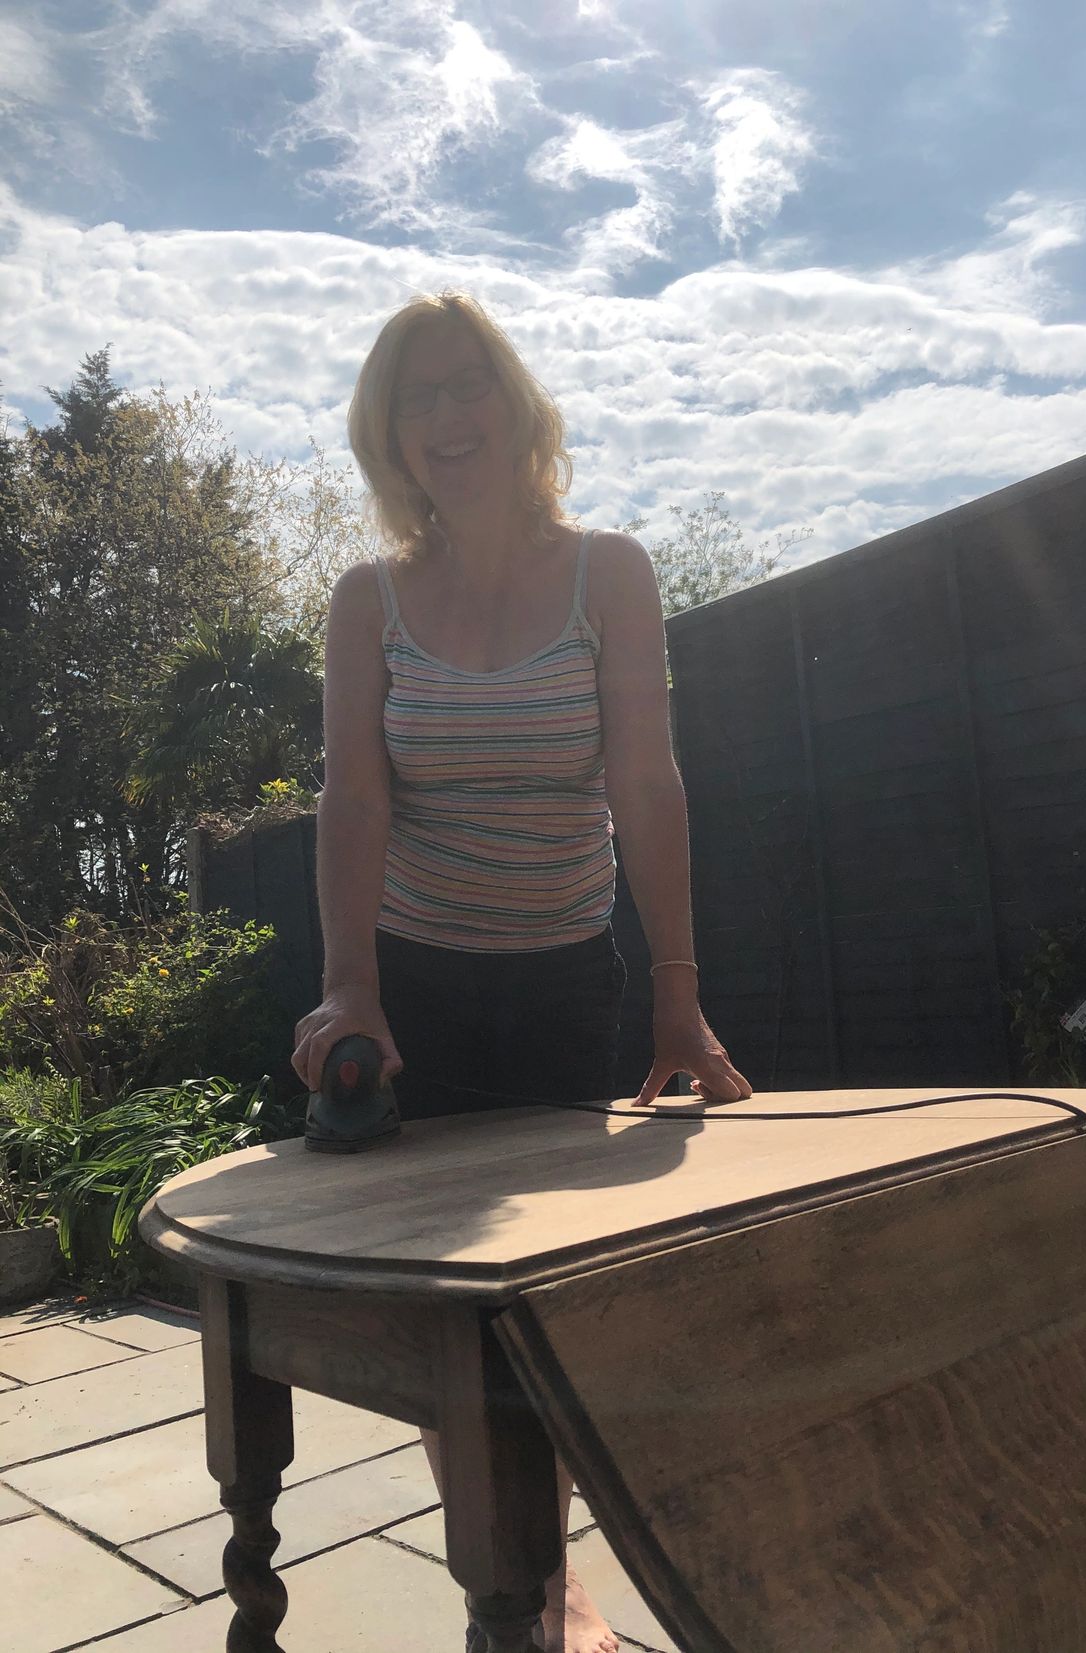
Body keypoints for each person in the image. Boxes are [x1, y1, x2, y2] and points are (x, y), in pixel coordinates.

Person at [291, 288, 752, 1653]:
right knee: (450, 1310)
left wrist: (676, 988)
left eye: (467, 384)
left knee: (543, 1303)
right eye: (416, 397)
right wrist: (349, 984)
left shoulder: (609, 571)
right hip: (418, 988)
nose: (448, 415)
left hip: (566, 981)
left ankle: (546, 1585)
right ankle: (524, 1593)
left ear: (514, 401)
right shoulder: (365, 602)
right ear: (391, 434)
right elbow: (350, 800)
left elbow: (647, 780)